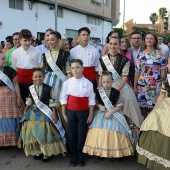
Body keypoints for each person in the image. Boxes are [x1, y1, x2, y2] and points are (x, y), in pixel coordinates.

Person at [99, 37, 143, 146]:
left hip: (121, 86)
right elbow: (100, 76)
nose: (113, 46)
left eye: (115, 44)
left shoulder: (125, 60)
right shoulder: (102, 59)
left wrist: (116, 91)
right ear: (108, 45)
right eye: (111, 44)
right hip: (106, 86)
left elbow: (124, 78)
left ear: (119, 46)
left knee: (129, 102)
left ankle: (131, 139)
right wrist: (99, 90)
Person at [17, 68, 67, 162]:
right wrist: (25, 110)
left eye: (40, 76)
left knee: (45, 131)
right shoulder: (31, 88)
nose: (37, 78)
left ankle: (46, 152)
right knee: (33, 130)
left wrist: (54, 115)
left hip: (45, 111)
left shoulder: (48, 88)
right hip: (33, 111)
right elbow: (29, 100)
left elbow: (52, 102)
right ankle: (38, 150)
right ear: (32, 78)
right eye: (35, 77)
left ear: (43, 77)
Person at [83, 71, 134, 158]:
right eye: (104, 82)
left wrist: (110, 112)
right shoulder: (99, 91)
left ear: (112, 81)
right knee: (98, 126)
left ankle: (116, 152)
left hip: (114, 111)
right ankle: (99, 151)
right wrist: (99, 106)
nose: (106, 84)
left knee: (115, 126)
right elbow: (95, 102)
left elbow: (119, 106)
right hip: (101, 112)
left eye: (108, 82)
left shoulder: (116, 92)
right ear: (101, 81)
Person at [137, 59, 170, 170]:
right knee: (154, 121)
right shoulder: (168, 77)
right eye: (169, 63)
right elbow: (162, 94)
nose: (168, 66)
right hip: (166, 104)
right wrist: (154, 111)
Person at [61, 59, 95, 167]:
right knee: (71, 134)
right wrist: (64, 113)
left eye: (77, 67)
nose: (75, 70)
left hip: (83, 112)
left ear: (82, 68)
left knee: (81, 134)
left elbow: (91, 101)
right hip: (70, 111)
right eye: (73, 68)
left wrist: (90, 115)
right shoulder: (67, 83)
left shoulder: (88, 83)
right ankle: (73, 157)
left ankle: (80, 157)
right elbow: (63, 99)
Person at [41, 31, 71, 136]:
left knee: (59, 106)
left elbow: (68, 71)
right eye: (48, 40)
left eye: (52, 40)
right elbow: (42, 71)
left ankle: (64, 135)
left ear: (58, 40)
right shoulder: (44, 55)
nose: (50, 42)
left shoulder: (66, 54)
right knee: (47, 106)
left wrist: (70, 85)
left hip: (61, 82)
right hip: (47, 81)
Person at [134, 32, 166, 119]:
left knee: (154, 108)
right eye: (147, 38)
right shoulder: (140, 55)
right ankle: (143, 128)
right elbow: (137, 71)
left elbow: (163, 70)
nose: (149, 40)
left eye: (151, 38)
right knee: (143, 109)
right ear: (144, 41)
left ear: (155, 40)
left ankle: (151, 128)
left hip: (156, 85)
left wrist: (162, 85)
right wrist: (134, 87)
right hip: (142, 85)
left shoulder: (160, 54)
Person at [0, 50, 24, 147]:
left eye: (5, 58)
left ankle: (15, 141)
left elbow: (16, 84)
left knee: (13, 118)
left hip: (11, 98)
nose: (5, 60)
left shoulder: (10, 71)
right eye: (2, 59)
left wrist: (19, 97)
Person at [12, 29, 41, 103]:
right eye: (25, 40)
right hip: (20, 84)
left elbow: (39, 67)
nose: (27, 43)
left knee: (33, 104)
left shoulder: (37, 52)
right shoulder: (15, 53)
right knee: (21, 104)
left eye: (29, 40)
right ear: (20, 40)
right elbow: (14, 69)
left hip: (33, 83)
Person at [70, 27, 100, 91]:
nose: (86, 37)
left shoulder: (95, 51)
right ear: (79, 36)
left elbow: (97, 68)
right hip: (77, 80)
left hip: (91, 80)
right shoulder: (73, 51)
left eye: (87, 35)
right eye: (83, 35)